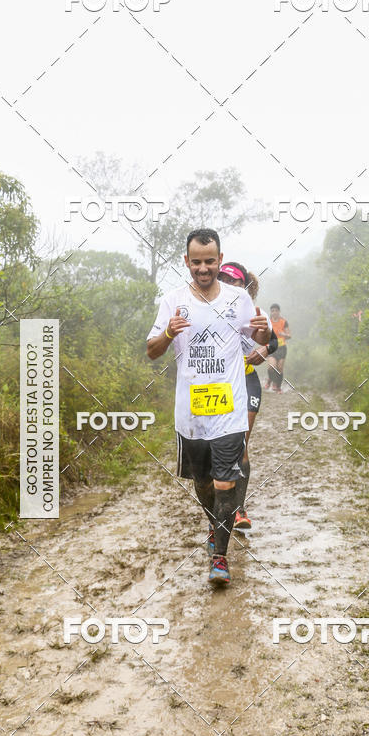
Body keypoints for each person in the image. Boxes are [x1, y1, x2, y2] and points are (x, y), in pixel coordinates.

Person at [146, 229, 271, 585]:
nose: (203, 268)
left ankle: (220, 557)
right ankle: (216, 528)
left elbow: (257, 343)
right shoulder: (172, 301)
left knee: (225, 485)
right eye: (196, 262)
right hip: (191, 415)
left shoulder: (238, 299)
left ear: (219, 260)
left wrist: (262, 332)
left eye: (210, 261)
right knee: (202, 484)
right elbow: (152, 351)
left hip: (230, 411)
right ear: (187, 262)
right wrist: (169, 333)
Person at [217, 262, 277, 532]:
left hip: (247, 380)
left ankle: (239, 510)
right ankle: (219, 504)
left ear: (245, 287)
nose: (229, 287)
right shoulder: (207, 308)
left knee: (240, 443)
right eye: (224, 281)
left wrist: (264, 351)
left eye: (235, 283)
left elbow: (273, 341)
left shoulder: (255, 312)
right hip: (217, 384)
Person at [266, 303, 291, 393]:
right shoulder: (268, 322)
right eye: (272, 311)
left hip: (282, 348)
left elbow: (289, 335)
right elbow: (264, 334)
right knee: (271, 366)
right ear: (271, 312)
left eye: (276, 310)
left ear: (279, 312)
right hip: (272, 347)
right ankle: (270, 379)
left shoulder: (284, 322)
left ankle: (278, 387)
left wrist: (284, 334)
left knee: (280, 368)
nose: (274, 312)